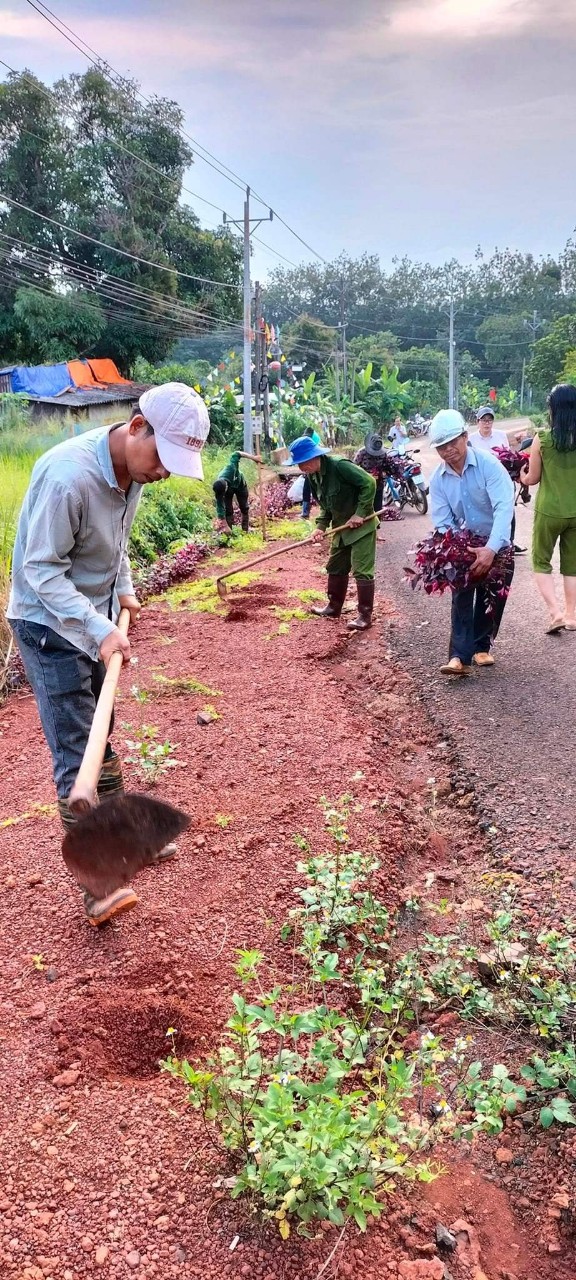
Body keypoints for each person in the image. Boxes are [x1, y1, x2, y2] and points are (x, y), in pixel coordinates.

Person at [7, 382, 210, 926]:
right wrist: (99, 626)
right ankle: (97, 885)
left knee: (103, 732)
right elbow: (40, 569)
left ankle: (124, 841)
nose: (164, 472)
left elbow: (114, 544)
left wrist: (121, 588)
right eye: (163, 458)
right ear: (138, 427)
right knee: (79, 751)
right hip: (48, 625)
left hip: (94, 619)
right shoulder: (69, 476)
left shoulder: (133, 472)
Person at [429, 409, 515, 676]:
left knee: (493, 592)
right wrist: (458, 549)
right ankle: (459, 656)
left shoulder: (489, 466)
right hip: (464, 540)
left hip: (496, 534)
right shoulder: (438, 480)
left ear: (466, 437)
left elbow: (504, 509)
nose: (448, 450)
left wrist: (491, 548)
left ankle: (482, 647)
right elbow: (443, 521)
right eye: (441, 446)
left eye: (452, 442)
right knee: (462, 592)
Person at [287, 434, 377, 630]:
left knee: (362, 569)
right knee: (335, 566)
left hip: (362, 526)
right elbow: (326, 505)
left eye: (303, 463)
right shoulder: (313, 476)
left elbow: (369, 483)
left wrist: (360, 513)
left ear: (314, 456)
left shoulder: (339, 466)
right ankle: (334, 607)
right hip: (341, 526)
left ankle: (364, 615)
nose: (301, 468)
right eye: (298, 464)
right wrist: (319, 527)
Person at [520, 383, 576, 633]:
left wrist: (522, 477)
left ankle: (555, 613)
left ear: (553, 409)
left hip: (548, 511)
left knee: (541, 562)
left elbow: (532, 478)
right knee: (572, 566)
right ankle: (572, 617)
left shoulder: (543, 439)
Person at [213, 450, 254, 533]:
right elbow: (220, 509)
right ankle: (229, 531)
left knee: (244, 507)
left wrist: (254, 458)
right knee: (228, 510)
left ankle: (245, 530)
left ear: (226, 487)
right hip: (229, 490)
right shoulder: (219, 489)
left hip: (240, 485)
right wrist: (225, 526)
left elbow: (237, 453)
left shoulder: (231, 468)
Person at [353, 431, 390, 514]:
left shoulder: (384, 453)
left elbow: (386, 466)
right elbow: (354, 467)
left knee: (378, 507)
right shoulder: (362, 452)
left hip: (379, 483)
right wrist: (366, 474)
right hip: (365, 484)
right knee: (366, 506)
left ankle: (377, 524)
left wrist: (383, 473)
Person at [302, 426, 321, 518]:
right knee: (306, 489)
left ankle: (324, 510)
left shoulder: (316, 441)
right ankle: (305, 512)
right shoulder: (304, 442)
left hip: (318, 471)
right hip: (309, 471)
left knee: (319, 490)